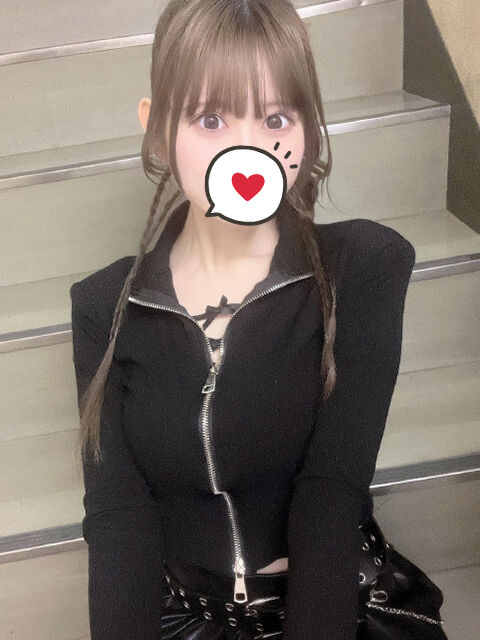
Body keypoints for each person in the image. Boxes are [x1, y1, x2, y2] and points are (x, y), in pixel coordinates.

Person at [69, 1, 416, 639]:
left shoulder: (363, 266)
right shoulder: (103, 307)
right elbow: (119, 520)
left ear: (307, 130)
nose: (249, 150)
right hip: (188, 618)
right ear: (157, 129)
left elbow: (332, 492)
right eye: (211, 119)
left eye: (276, 118)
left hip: (331, 609)